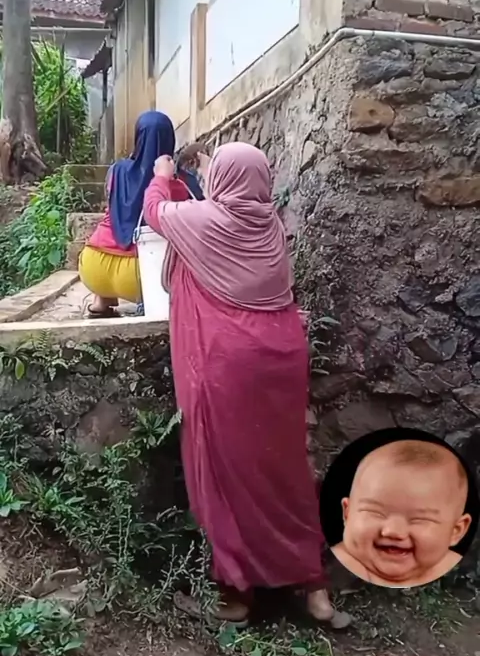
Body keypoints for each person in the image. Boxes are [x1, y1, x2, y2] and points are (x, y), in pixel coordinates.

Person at [142, 141, 351, 629]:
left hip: (228, 363)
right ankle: (315, 591)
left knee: (229, 473)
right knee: (284, 471)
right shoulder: (270, 225)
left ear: (223, 180)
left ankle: (234, 596)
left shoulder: (204, 222)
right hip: (281, 358)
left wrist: (162, 175)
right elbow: (212, 210)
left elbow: (155, 212)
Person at [79, 110, 203, 318]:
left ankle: (101, 300)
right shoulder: (182, 181)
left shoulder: (117, 170)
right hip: (141, 275)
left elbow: (113, 203)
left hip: (93, 266)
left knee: (108, 226)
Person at [332, 440, 472, 588]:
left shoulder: (457, 569)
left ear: (456, 531)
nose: (393, 531)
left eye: (419, 519)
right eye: (375, 513)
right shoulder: (341, 563)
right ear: (347, 514)